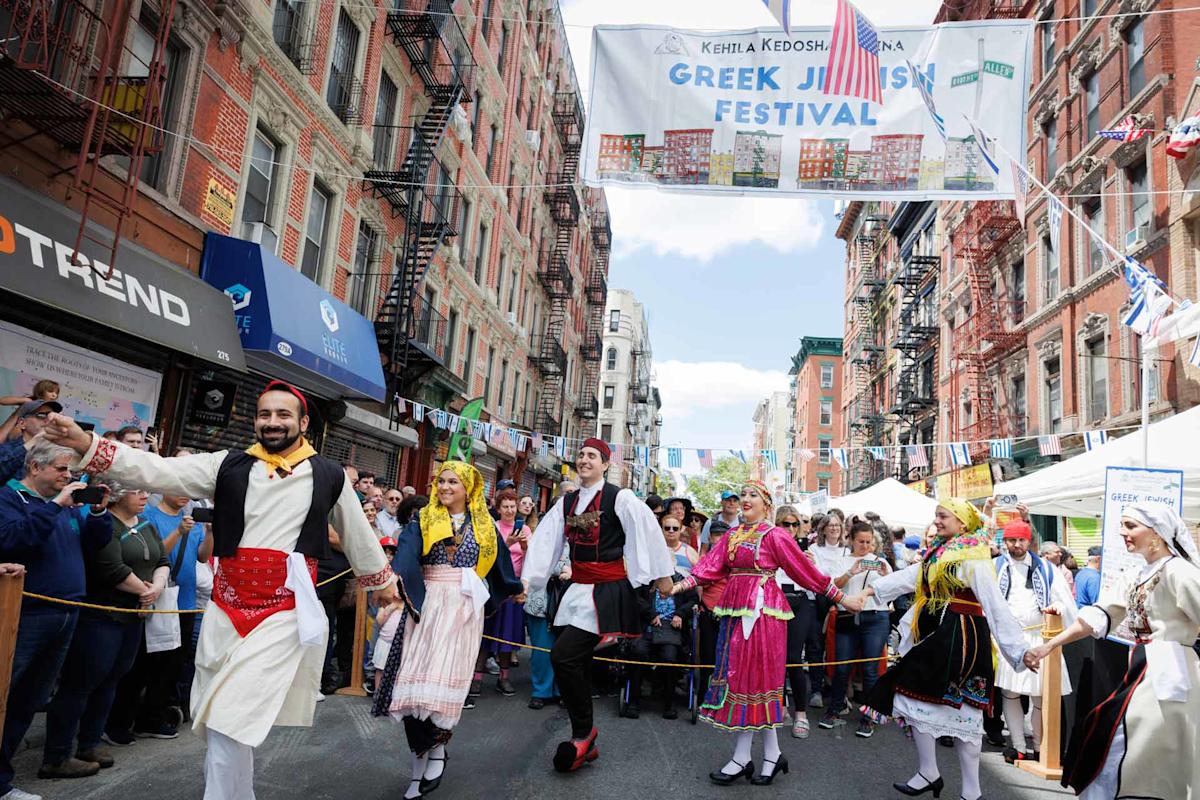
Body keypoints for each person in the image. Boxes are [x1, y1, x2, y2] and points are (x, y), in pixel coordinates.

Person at [42, 380, 399, 800]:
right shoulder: (227, 464)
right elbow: (156, 470)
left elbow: (358, 535)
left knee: (230, 715)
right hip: (225, 608)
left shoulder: (329, 474)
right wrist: (86, 441)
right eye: (264, 414)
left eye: (283, 415)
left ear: (303, 422)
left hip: (282, 612)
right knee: (219, 724)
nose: (272, 422)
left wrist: (383, 584)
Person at [669, 481, 854, 785]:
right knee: (744, 679)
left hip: (763, 612)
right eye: (743, 494)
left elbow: (805, 573)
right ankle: (769, 755)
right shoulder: (733, 534)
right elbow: (709, 567)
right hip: (736, 609)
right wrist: (677, 586)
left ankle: (744, 757)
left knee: (754, 680)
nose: (745, 499)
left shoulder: (775, 535)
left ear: (767, 504)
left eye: (753, 495)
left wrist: (843, 598)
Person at [850, 499, 1028, 800]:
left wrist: (1020, 651)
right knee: (912, 696)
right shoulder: (942, 551)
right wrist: (874, 589)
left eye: (943, 516)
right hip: (938, 637)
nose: (937, 520)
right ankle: (929, 772)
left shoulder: (973, 554)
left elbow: (994, 603)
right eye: (936, 516)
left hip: (962, 639)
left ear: (961, 522)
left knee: (966, 710)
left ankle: (970, 791)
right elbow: (913, 576)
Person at [1025, 503, 1200, 798]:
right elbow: (1098, 615)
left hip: (1173, 673)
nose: (1122, 532)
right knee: (1120, 742)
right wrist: (1049, 645)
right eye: (1122, 525)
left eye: (1131, 526)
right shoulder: (1135, 575)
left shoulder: (1179, 572)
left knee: (1138, 747)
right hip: (1146, 668)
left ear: (1156, 533)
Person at [522, 438, 674, 773]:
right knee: (568, 660)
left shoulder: (620, 498)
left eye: (592, 456)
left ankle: (583, 734)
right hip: (577, 589)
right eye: (581, 455)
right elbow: (547, 540)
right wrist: (529, 581)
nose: (584, 459)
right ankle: (585, 735)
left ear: (605, 464)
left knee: (564, 656)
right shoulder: (567, 502)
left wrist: (661, 577)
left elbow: (646, 531)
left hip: (607, 591)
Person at [375, 461, 522, 800]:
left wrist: (514, 588)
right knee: (412, 695)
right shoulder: (422, 520)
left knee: (436, 696)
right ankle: (419, 769)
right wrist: (395, 578)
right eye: (441, 480)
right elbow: (407, 554)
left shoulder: (484, 526)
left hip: (461, 610)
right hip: (425, 606)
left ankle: (436, 752)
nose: (444, 487)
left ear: (469, 487)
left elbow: (500, 566)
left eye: (453, 481)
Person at [0, 441, 112, 798]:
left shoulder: (65, 505)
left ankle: (1, 782)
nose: (69, 476)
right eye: (62, 469)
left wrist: (97, 513)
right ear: (34, 467)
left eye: (71, 470)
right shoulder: (8, 498)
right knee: (4, 699)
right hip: (25, 615)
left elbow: (95, 543)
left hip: (65, 613)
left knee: (26, 703)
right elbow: (14, 540)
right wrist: (54, 506)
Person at [43, 480, 167, 775]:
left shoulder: (147, 524)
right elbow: (110, 568)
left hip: (133, 617)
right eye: (137, 491)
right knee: (81, 683)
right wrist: (144, 591)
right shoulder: (105, 523)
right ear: (118, 494)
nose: (144, 495)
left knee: (112, 679)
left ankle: (90, 742)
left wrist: (157, 587)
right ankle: (57, 754)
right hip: (101, 616)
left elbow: (162, 559)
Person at [110, 488, 212, 739]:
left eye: (190, 491)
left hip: (186, 603)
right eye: (179, 489)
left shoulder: (192, 520)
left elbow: (202, 557)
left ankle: (152, 718)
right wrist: (179, 533)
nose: (185, 495)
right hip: (159, 598)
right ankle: (120, 721)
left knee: (171, 666)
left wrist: (209, 532)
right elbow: (156, 556)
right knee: (143, 664)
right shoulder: (150, 517)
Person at [992, 519, 1077, 763]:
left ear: (1029, 541)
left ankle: (1040, 747)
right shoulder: (995, 567)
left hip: (1040, 638)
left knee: (1041, 695)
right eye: (1011, 540)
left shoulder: (1048, 569)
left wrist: (1056, 608)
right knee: (1010, 694)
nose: (1016, 545)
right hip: (1008, 640)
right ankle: (1018, 746)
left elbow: (1065, 602)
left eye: (1021, 540)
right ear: (1004, 541)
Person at [821, 519, 892, 738]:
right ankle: (835, 708)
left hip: (875, 617)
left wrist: (884, 574)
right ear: (851, 540)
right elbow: (833, 587)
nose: (865, 547)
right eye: (860, 541)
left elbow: (891, 589)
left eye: (869, 542)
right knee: (842, 666)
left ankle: (868, 717)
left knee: (871, 668)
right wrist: (851, 571)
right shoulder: (841, 561)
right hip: (847, 617)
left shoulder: (880, 561)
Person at [624, 567, 697, 720]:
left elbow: (694, 600)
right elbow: (635, 598)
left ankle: (669, 704)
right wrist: (650, 613)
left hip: (672, 630)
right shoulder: (646, 580)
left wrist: (680, 614)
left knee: (670, 657)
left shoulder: (681, 580)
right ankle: (634, 702)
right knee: (638, 652)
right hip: (649, 627)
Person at [773, 504, 818, 739]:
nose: (790, 528)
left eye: (794, 524)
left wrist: (809, 564)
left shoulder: (808, 550)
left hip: (800, 603)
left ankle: (801, 713)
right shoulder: (769, 545)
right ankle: (780, 706)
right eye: (785, 524)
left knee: (793, 658)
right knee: (775, 658)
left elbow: (816, 583)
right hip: (775, 602)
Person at [476, 488, 526, 698]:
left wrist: (524, 545)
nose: (509, 510)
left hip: (513, 589)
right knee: (485, 635)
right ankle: (476, 678)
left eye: (512, 506)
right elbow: (489, 557)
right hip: (494, 588)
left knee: (507, 636)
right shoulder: (492, 528)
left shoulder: (525, 530)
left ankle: (504, 678)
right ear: (498, 509)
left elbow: (530, 558)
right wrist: (507, 544)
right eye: (505, 506)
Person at [806, 514, 846, 708]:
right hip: (818, 602)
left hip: (842, 604)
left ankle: (837, 689)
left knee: (839, 648)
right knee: (816, 646)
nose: (834, 528)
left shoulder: (848, 550)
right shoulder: (814, 549)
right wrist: (834, 580)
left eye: (837, 525)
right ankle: (815, 688)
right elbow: (818, 575)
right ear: (822, 529)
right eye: (830, 525)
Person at [0, 399, 63, 484]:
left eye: (51, 415)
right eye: (41, 415)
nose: (48, 420)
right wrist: (33, 442)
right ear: (22, 423)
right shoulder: (6, 449)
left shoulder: (56, 451)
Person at [699, 491, 740, 555]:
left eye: (735, 501)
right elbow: (703, 550)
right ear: (722, 502)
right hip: (714, 562)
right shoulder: (710, 522)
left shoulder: (744, 523)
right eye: (728, 500)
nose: (732, 503)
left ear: (738, 504)